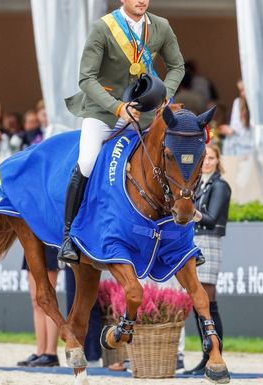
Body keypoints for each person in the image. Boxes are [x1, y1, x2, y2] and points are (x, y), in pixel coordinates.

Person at [60, 0, 185, 263]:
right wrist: (118, 109)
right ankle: (68, 236)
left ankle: (178, 239)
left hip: (146, 111)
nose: (141, 1)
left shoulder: (161, 27)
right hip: (105, 111)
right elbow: (86, 78)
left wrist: (166, 94)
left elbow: (177, 67)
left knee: (168, 157)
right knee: (87, 161)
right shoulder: (103, 28)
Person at [184, 143, 231, 375]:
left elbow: (211, 218)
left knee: (208, 302)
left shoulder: (220, 185)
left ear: (217, 160)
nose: (207, 162)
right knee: (198, 303)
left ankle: (215, 353)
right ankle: (206, 354)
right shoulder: (197, 184)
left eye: (211, 158)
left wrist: (189, 213)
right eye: (204, 158)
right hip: (195, 240)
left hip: (210, 242)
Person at [16, 247, 61, 367]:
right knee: (36, 301)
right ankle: (41, 352)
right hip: (31, 242)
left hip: (47, 241)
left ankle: (51, 353)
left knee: (48, 300)